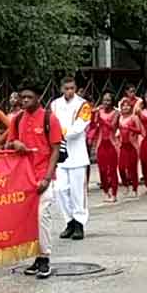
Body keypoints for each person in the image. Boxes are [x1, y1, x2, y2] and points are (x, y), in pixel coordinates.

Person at [6, 82, 63, 280]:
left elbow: (55, 150)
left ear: (38, 97)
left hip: (43, 175)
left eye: (29, 97)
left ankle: (45, 258)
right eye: (22, 97)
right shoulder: (17, 119)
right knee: (28, 220)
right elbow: (9, 143)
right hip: (23, 178)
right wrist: (15, 143)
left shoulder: (50, 118)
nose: (24, 101)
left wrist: (47, 177)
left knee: (42, 217)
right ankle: (36, 258)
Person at [50, 76, 92, 240]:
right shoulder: (55, 104)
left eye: (72, 88)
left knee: (77, 192)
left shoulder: (83, 105)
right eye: (66, 88)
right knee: (60, 190)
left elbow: (80, 126)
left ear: (75, 88)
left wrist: (61, 133)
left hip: (77, 154)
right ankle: (69, 221)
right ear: (61, 89)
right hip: (60, 154)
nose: (69, 91)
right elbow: (51, 123)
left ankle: (79, 223)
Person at [92, 92, 120, 203]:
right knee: (102, 170)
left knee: (112, 170)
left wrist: (101, 119)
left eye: (108, 100)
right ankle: (106, 192)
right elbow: (94, 124)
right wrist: (94, 114)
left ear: (112, 101)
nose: (106, 102)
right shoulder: (99, 111)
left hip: (112, 144)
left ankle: (114, 193)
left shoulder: (116, 112)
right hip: (101, 144)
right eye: (104, 100)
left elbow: (113, 127)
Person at [118, 97, 143, 198]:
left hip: (132, 146)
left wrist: (130, 128)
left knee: (132, 168)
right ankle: (126, 184)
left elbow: (139, 130)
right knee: (121, 168)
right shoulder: (119, 118)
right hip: (123, 145)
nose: (125, 107)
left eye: (127, 105)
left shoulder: (134, 118)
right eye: (123, 105)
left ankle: (135, 189)